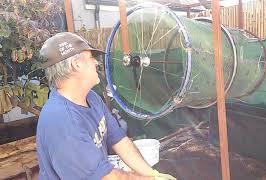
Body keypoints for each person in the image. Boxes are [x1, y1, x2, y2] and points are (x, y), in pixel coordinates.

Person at [36, 32, 176, 180]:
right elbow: (104, 177)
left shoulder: (92, 98)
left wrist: (151, 173)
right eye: (91, 58)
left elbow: (119, 139)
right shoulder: (62, 121)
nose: (96, 62)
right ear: (76, 65)